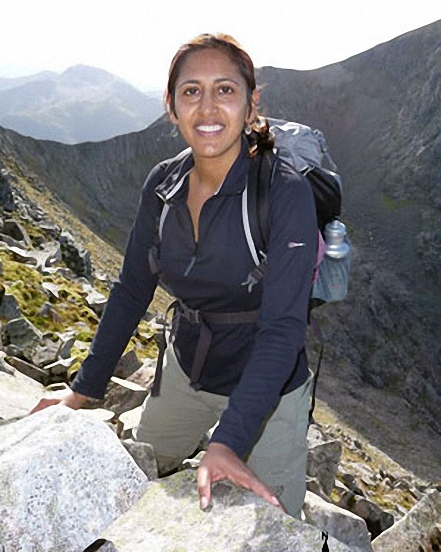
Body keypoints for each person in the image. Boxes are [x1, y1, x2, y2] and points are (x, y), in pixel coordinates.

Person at [31, 33, 317, 518]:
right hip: (187, 371)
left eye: (225, 90)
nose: (207, 108)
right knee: (135, 482)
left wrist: (227, 442)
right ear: (171, 106)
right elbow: (131, 290)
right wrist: (83, 390)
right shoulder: (163, 183)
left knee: (273, 523)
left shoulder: (284, 193)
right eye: (191, 91)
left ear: (251, 106)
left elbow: (282, 330)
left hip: (270, 392)